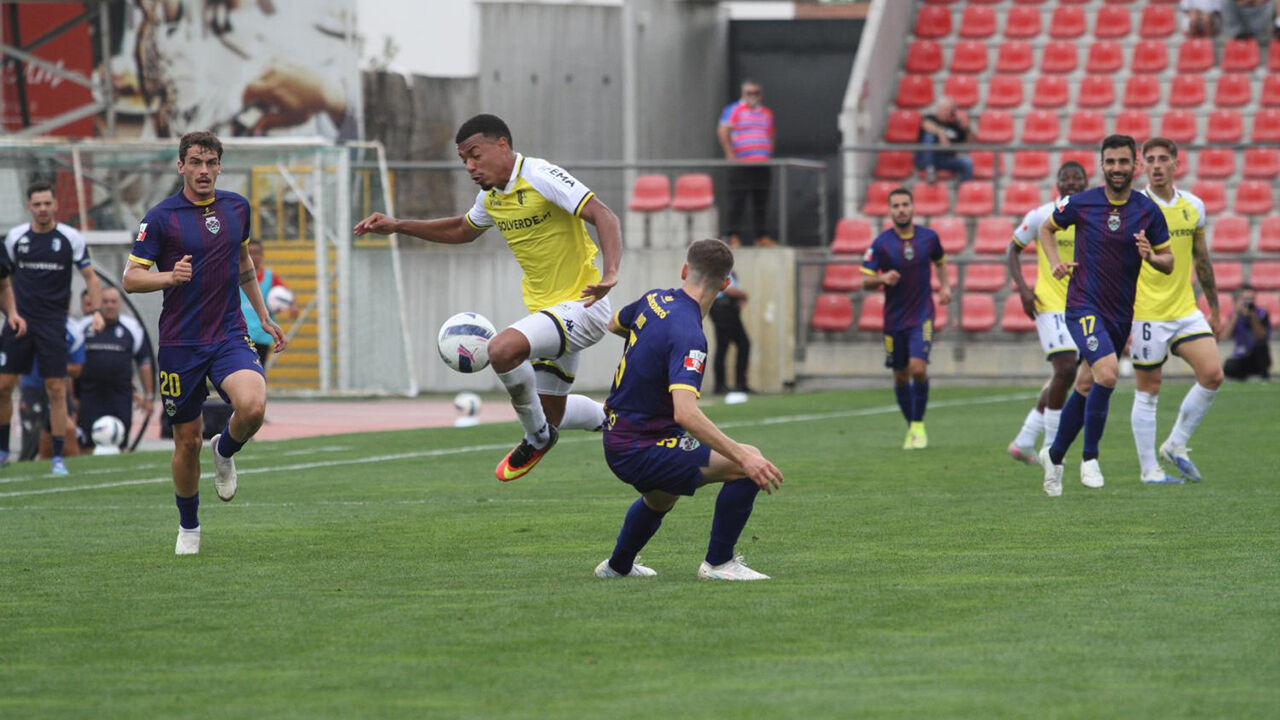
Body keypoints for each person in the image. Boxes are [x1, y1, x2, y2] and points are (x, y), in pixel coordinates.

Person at [354, 114, 623, 483]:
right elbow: (464, 229)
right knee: (552, 412)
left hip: (584, 306)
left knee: (501, 350)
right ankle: (622, 419)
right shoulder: (491, 198)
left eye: (475, 156)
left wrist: (610, 273)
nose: (470, 166)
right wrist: (399, 226)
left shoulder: (540, 175)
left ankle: (538, 439)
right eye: (464, 160)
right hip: (548, 311)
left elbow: (603, 215)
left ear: (502, 145)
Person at [123, 130, 287, 555]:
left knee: (252, 406)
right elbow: (131, 278)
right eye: (195, 162)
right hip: (181, 342)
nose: (203, 171)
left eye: (211, 162)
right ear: (181, 166)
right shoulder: (160, 218)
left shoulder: (236, 207)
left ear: (219, 166)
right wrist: (167, 276)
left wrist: (263, 315)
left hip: (228, 333)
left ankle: (226, 450)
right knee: (187, 440)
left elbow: (243, 261)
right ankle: (189, 528)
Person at [594, 238, 784, 581]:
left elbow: (615, 325)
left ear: (684, 270)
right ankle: (719, 564)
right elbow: (686, 413)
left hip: (622, 436)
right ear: (726, 285)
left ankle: (617, 566)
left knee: (661, 498)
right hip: (640, 445)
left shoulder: (654, 300)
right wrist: (743, 456)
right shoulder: (690, 334)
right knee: (747, 462)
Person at [1037, 135, 1174, 497]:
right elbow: (1046, 228)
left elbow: (1169, 261)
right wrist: (1054, 263)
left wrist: (1150, 256)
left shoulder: (1147, 211)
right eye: (1110, 162)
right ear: (1102, 165)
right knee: (1109, 373)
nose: (1116, 168)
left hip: (1119, 315)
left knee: (1086, 383)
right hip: (1082, 305)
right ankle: (1090, 458)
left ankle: (1053, 456)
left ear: (1135, 166)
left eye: (1123, 162)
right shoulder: (1082, 203)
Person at [1129, 138, 1224, 485]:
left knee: (1213, 374)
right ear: (1143, 166)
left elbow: (1202, 258)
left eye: (1162, 159)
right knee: (1148, 390)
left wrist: (1213, 307)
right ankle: (1149, 471)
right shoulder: (1135, 206)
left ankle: (1175, 444)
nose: (1155, 165)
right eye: (1149, 160)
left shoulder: (1193, 206)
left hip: (1185, 308)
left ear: (1175, 164)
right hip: (1146, 312)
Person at [0, 180, 103, 475]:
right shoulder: (15, 238)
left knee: (56, 388)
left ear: (55, 205)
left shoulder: (70, 238)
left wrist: (95, 312)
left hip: (52, 324)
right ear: (29, 207)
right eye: (37, 204)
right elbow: (3, 281)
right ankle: (4, 449)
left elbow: (91, 278)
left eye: (47, 203)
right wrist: (10, 313)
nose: (43, 209)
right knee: (4, 386)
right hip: (18, 321)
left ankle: (58, 457)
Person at [1006, 162, 1089, 465]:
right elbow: (1012, 249)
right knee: (1066, 369)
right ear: (1057, 184)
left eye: (1076, 178)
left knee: (1065, 377)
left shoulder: (1092, 216)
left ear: (1085, 183)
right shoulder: (1042, 215)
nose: (1071, 183)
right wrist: (1025, 291)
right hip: (1049, 304)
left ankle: (1024, 441)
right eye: (1065, 178)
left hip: (1082, 306)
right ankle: (1054, 449)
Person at [861, 187, 951, 450]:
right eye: (896, 206)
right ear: (890, 211)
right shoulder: (881, 243)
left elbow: (941, 262)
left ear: (912, 207)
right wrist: (882, 278)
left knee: (918, 368)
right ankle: (912, 426)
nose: (901, 209)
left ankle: (918, 425)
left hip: (922, 314)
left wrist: (945, 287)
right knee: (900, 377)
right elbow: (866, 280)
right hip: (894, 319)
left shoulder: (929, 238)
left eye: (905, 204)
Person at [75, 287, 154, 451]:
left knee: (120, 442)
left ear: (120, 304)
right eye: (105, 301)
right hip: (89, 395)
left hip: (120, 396)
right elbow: (70, 362)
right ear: (98, 303)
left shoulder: (132, 328)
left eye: (114, 301)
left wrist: (149, 395)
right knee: (88, 444)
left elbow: (144, 362)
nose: (110, 305)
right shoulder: (83, 327)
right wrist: (71, 397)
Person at [717, 79, 776, 247]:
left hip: (761, 164)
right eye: (749, 93)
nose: (753, 96)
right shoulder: (734, 109)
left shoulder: (766, 113)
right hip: (741, 164)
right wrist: (730, 155)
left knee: (761, 201)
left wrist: (767, 153)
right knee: (737, 200)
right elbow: (723, 131)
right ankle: (732, 235)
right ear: (743, 94)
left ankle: (761, 236)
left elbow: (771, 135)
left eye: (756, 93)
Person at [18, 318, 85, 461]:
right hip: (32, 389)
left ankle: (64, 466)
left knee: (68, 431)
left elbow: (77, 368)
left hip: (57, 390)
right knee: (34, 439)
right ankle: (32, 465)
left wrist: (54, 367)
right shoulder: (26, 323)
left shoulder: (72, 329)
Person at [241, 239, 297, 369]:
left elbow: (285, 294)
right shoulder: (236, 275)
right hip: (242, 334)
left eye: (257, 253)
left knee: (259, 370)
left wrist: (293, 305)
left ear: (262, 255)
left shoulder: (270, 277)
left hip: (262, 335)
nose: (254, 256)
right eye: (251, 253)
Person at [709, 268, 752, 395]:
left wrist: (739, 298)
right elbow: (727, 289)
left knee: (743, 344)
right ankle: (720, 385)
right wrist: (743, 295)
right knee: (724, 346)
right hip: (722, 309)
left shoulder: (729, 271)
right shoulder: (719, 270)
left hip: (729, 310)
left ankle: (740, 383)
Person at [915, 97, 973, 183]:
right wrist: (940, 133)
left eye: (949, 110)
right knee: (929, 135)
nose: (947, 112)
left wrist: (967, 129)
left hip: (946, 159)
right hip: (927, 159)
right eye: (945, 109)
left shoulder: (955, 126)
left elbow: (969, 145)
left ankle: (965, 192)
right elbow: (925, 125)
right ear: (938, 109)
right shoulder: (930, 118)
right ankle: (929, 169)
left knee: (967, 162)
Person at [1220, 285, 1271, 380]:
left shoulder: (1261, 313)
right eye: (1246, 299)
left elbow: (1262, 337)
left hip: (1257, 355)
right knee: (1229, 366)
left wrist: (1252, 316)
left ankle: (1262, 376)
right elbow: (1224, 337)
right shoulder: (1233, 315)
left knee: (1261, 346)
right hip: (1241, 355)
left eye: (1252, 299)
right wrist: (1236, 315)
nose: (1249, 302)